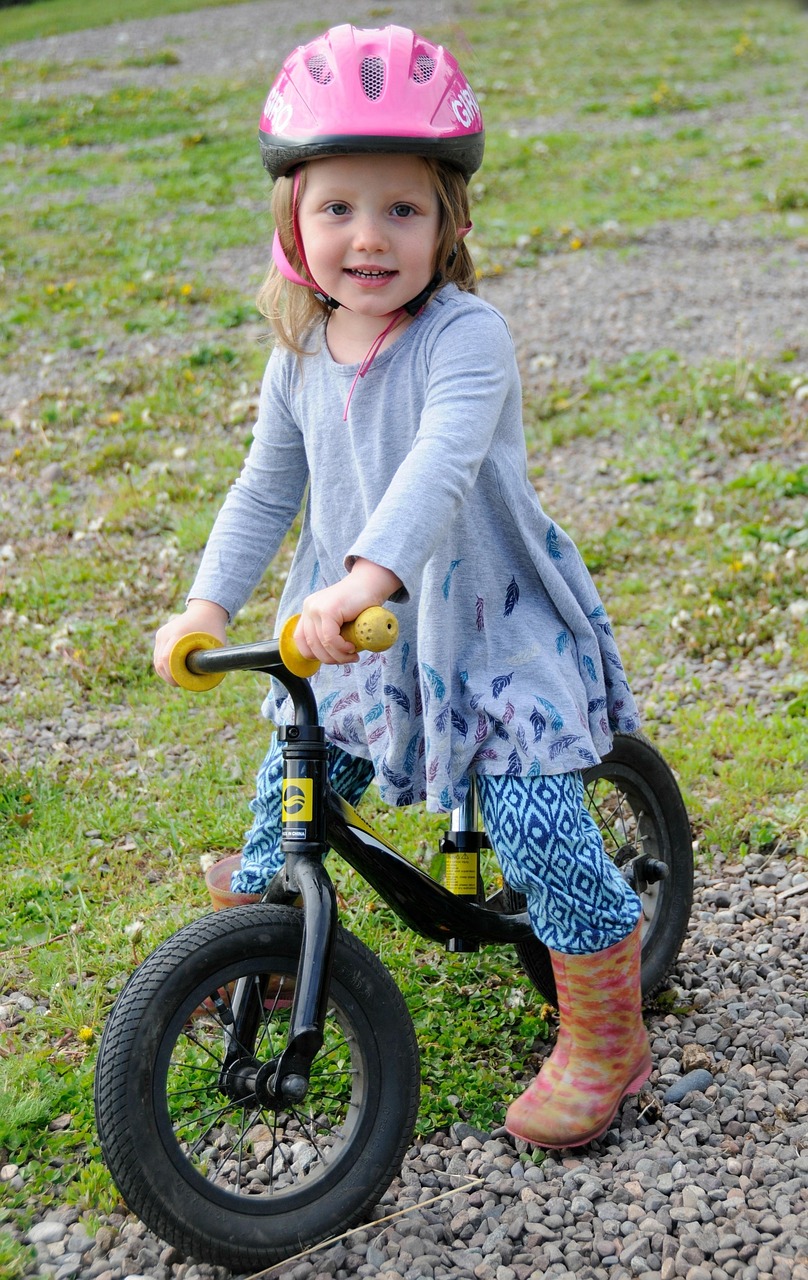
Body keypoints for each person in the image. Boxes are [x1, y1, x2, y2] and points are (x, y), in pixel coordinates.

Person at [153, 23, 651, 1149]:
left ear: (451, 223)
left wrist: (356, 579)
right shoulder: (299, 357)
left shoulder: (466, 338)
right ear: (293, 223)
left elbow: (438, 470)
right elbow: (260, 490)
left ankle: (608, 1026)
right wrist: (206, 606)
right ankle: (267, 948)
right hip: (362, 629)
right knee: (296, 769)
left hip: (484, 620)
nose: (367, 238)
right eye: (337, 208)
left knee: (530, 814)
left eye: (402, 210)